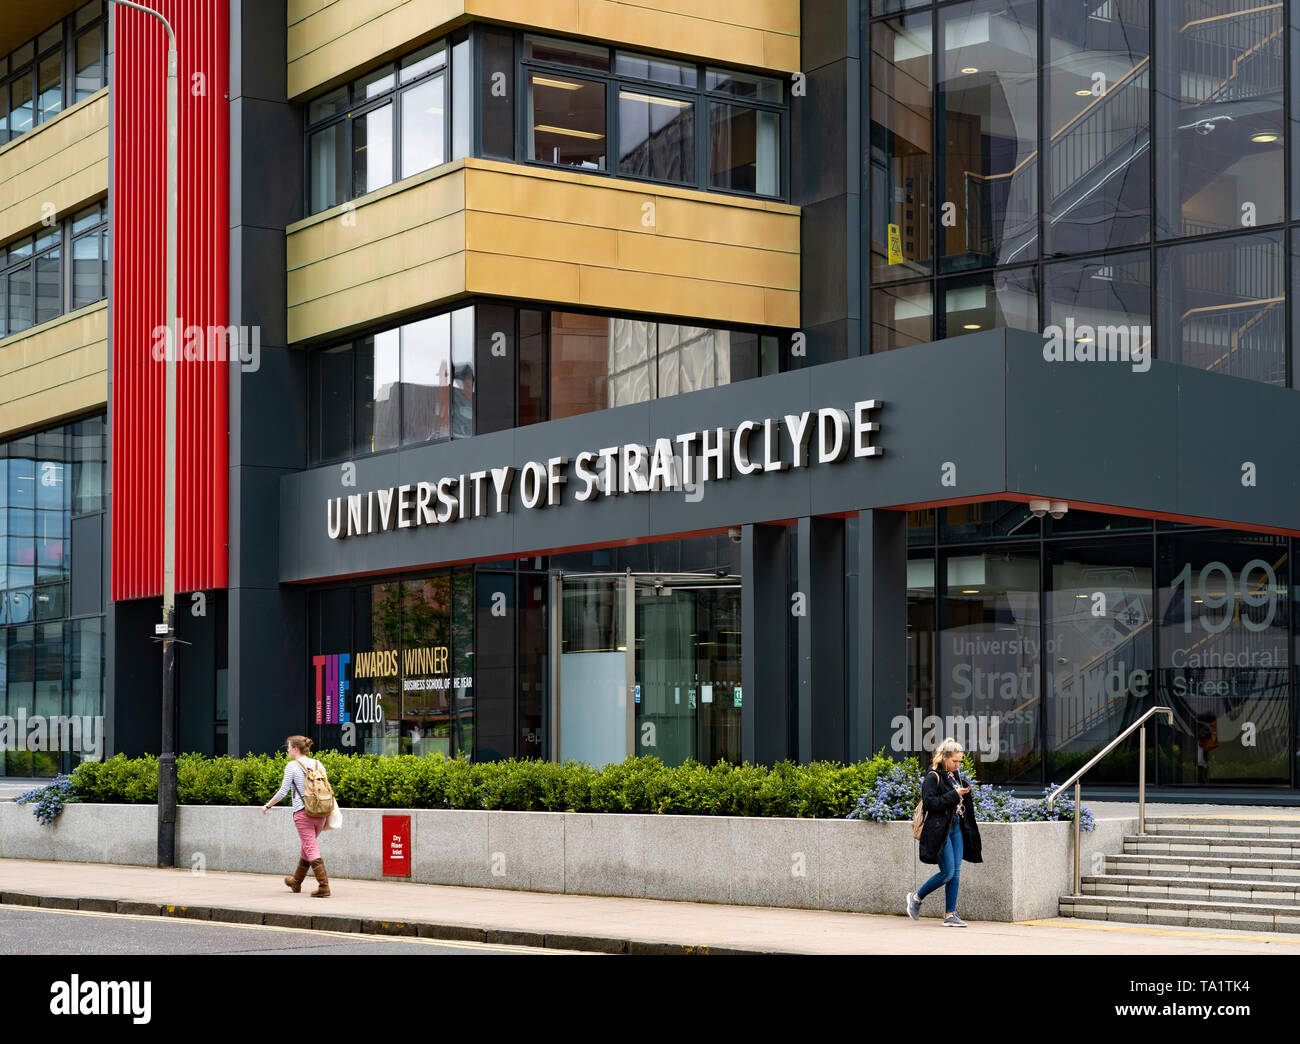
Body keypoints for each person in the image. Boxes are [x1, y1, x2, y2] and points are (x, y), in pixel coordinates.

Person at [905, 737, 982, 926]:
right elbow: (930, 803)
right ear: (944, 757)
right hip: (940, 830)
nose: (957, 764)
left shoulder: (955, 776)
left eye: (960, 761)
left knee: (956, 873)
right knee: (947, 873)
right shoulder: (933, 776)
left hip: (956, 827)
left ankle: (950, 915)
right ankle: (916, 898)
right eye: (954, 761)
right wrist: (954, 794)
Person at [261, 736, 331, 897]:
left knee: (311, 847)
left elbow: (283, 791)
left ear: (295, 749)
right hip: (321, 812)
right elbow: (326, 788)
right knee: (307, 846)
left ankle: (324, 886)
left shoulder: (292, 766)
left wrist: (267, 805)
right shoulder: (317, 763)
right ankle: (296, 882)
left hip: (303, 813)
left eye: (288, 747)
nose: (287, 750)